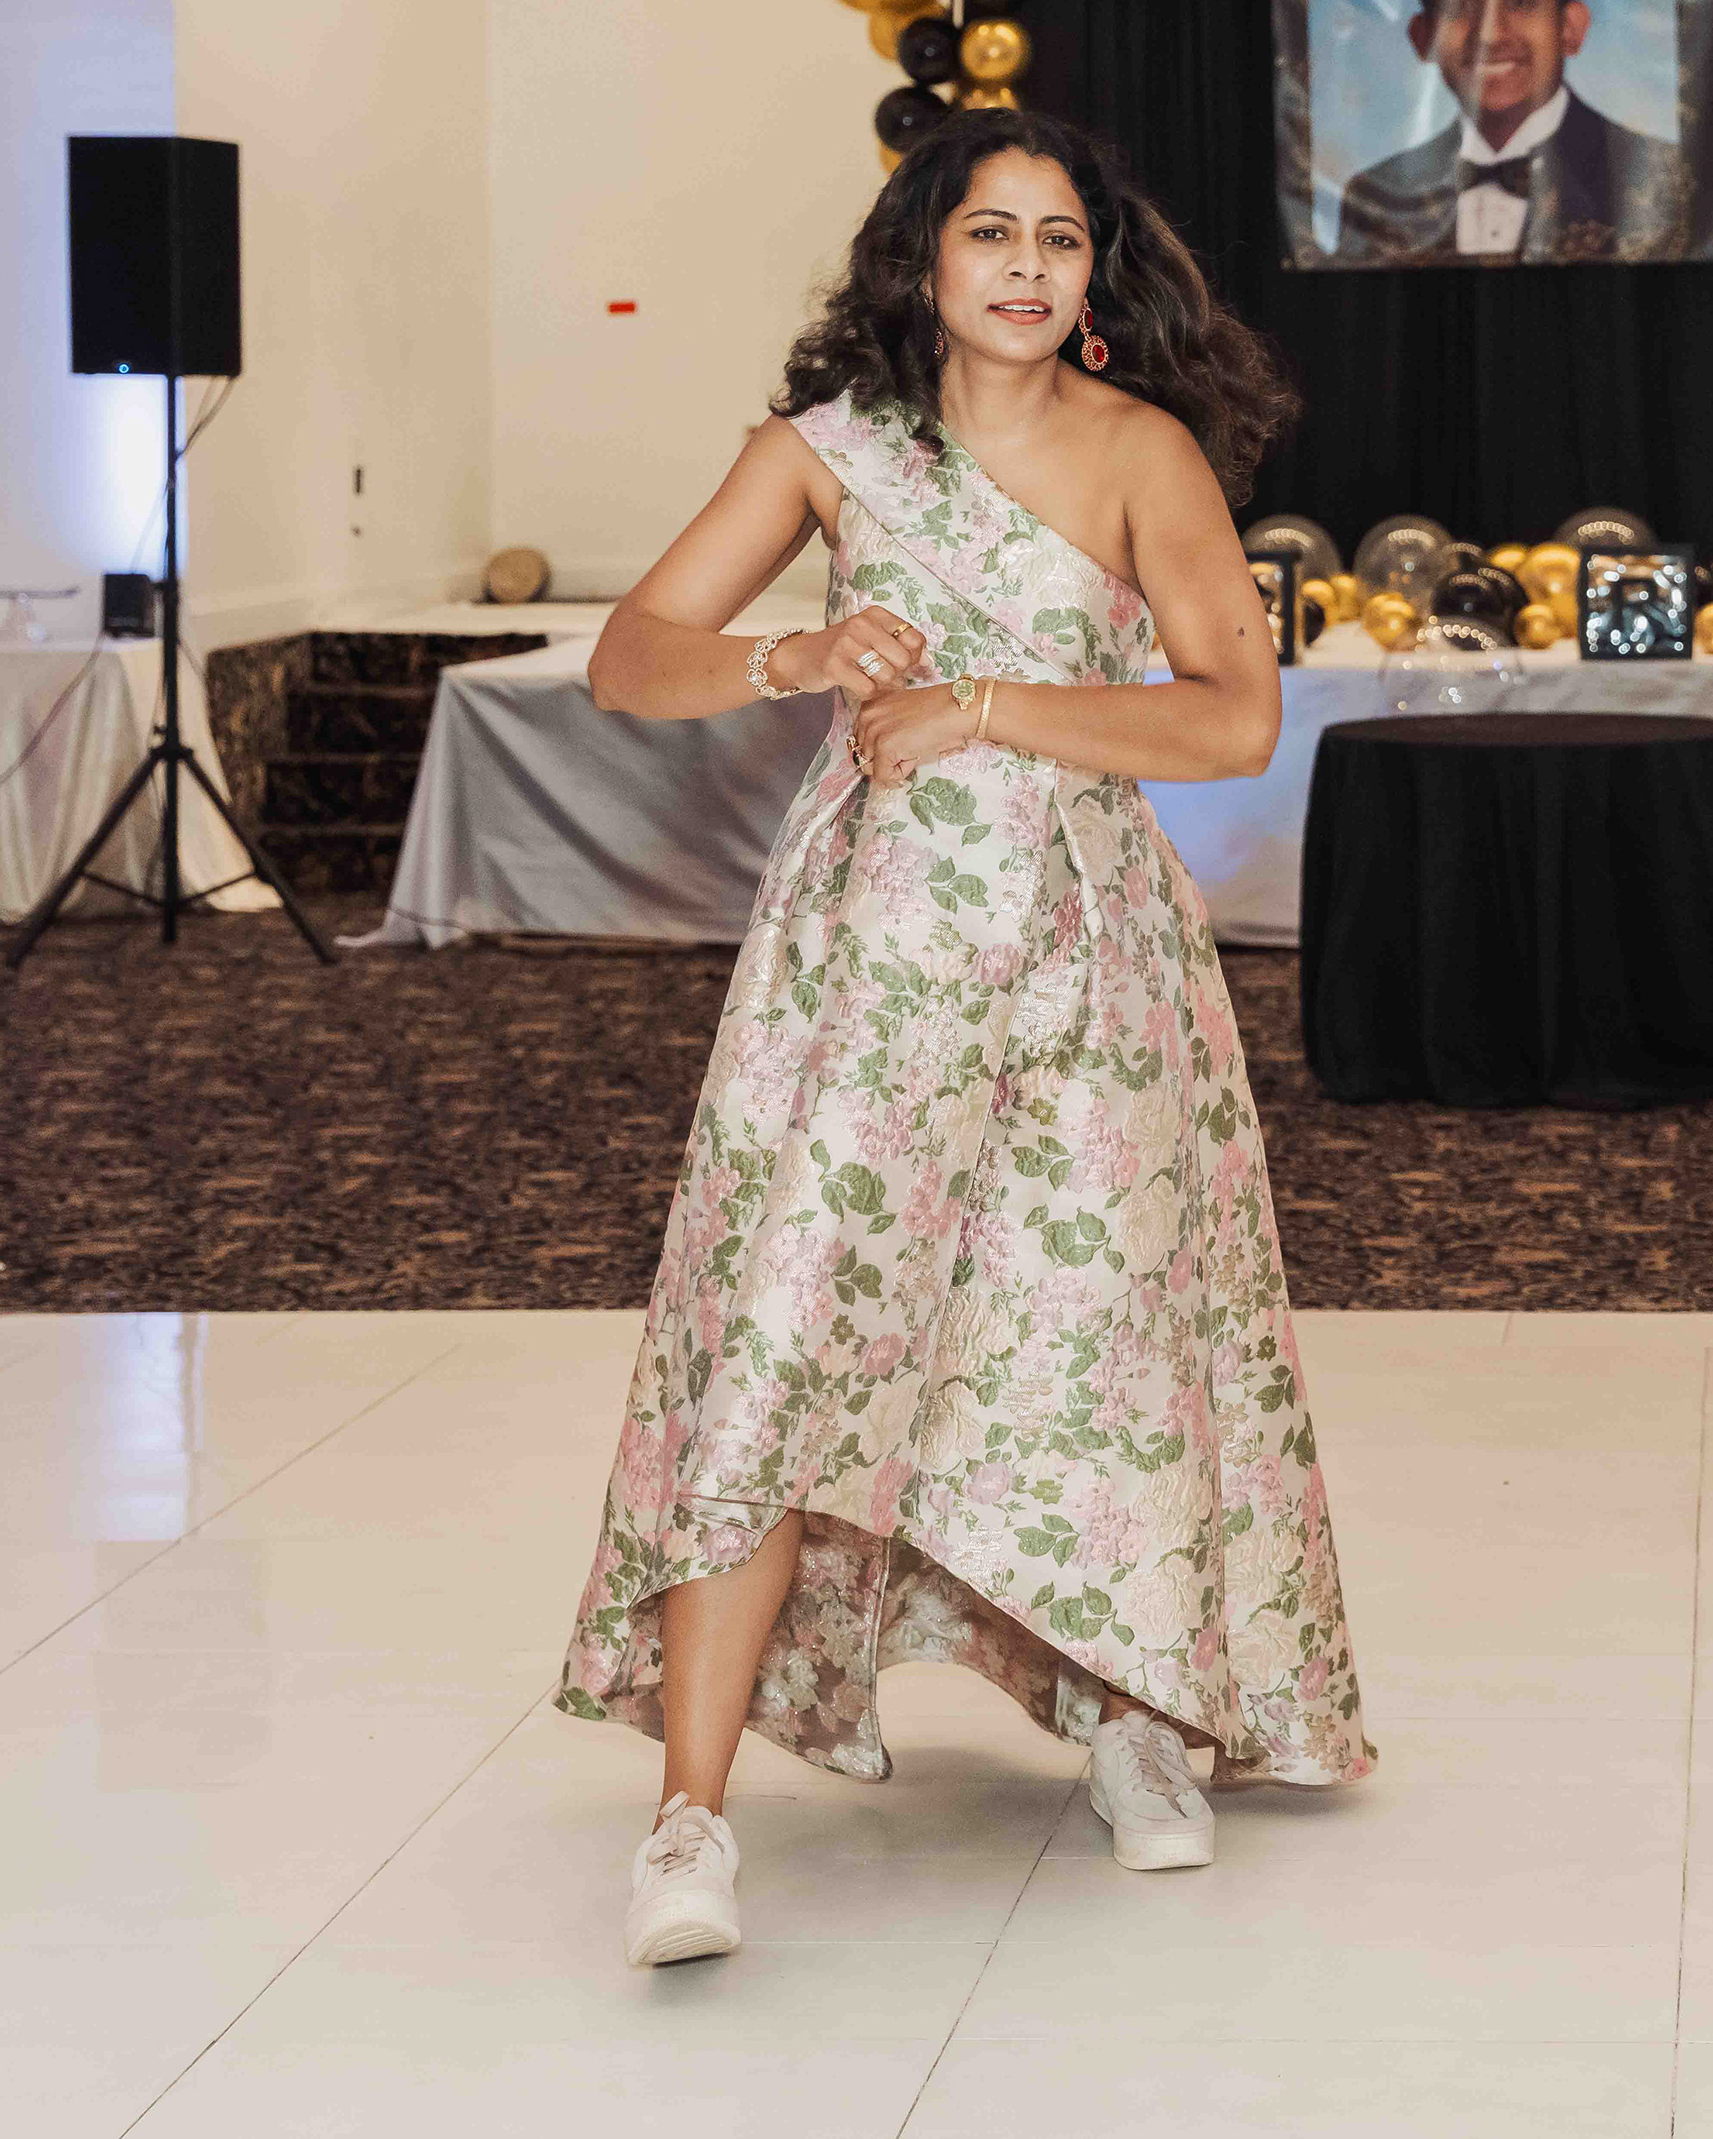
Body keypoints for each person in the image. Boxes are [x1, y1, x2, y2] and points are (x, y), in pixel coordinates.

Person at [559, 108, 1371, 1969]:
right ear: (920, 262)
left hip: (1091, 961)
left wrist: (990, 703)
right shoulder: (827, 450)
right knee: (782, 1335)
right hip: (864, 963)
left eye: (1060, 238)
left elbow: (1234, 720)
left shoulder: (1144, 450)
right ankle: (690, 1821)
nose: (1026, 266)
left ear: (1098, 275)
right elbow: (631, 657)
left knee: (1096, 1332)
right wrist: (788, 658)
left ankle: (1144, 1723)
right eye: (990, 232)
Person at [1333, 0, 1689, 261]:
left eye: (1520, 1)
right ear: (1423, 37)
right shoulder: (1376, 197)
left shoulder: (1657, 177)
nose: (1489, 35)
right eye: (1458, 6)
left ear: (1571, 28)